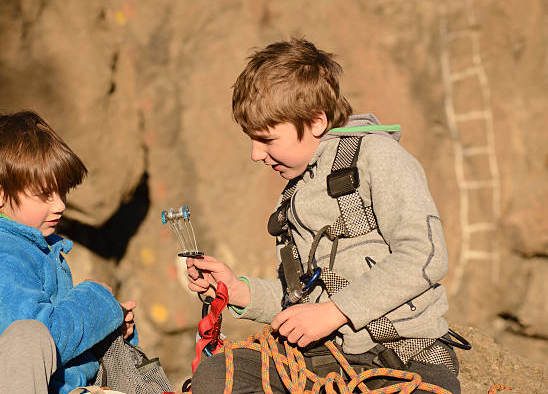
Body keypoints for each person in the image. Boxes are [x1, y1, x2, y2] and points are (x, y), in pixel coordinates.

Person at [186, 38, 462, 393]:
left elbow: (426, 254)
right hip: (321, 359)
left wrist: (336, 312)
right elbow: (301, 301)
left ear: (316, 121)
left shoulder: (378, 159)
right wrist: (238, 292)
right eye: (251, 140)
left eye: (267, 140)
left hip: (399, 355)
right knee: (215, 376)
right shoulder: (295, 193)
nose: (256, 154)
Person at [0, 111, 137, 394]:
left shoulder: (40, 249)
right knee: (29, 335)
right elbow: (44, 336)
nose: (60, 205)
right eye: (46, 194)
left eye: (63, 192)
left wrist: (112, 324)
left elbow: (61, 349)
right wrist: (97, 302)